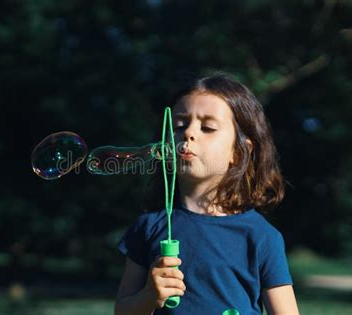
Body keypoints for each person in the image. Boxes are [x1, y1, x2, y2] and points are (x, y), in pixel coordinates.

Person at [114, 72, 299, 315]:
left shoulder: (260, 236)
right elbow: (122, 311)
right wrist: (150, 295)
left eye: (208, 127)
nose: (188, 133)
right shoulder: (148, 227)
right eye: (179, 125)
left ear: (239, 152)